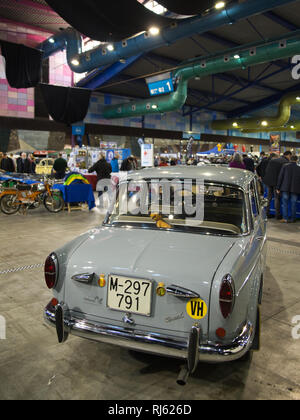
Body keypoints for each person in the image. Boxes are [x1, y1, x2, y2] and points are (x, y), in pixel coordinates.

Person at [263, 151, 292, 219]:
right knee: (277, 199)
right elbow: (284, 175)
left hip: (269, 181)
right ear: (288, 155)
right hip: (276, 182)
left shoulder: (273, 160)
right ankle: (277, 215)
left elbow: (267, 170)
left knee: (269, 198)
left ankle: (266, 213)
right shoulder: (285, 162)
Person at [277, 155, 300, 223]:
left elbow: (280, 177)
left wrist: (278, 187)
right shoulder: (299, 168)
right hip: (295, 189)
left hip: (285, 187)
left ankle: (285, 218)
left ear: (290, 159)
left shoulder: (285, 166)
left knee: (285, 204)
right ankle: (293, 219)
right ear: (297, 160)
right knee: (294, 204)